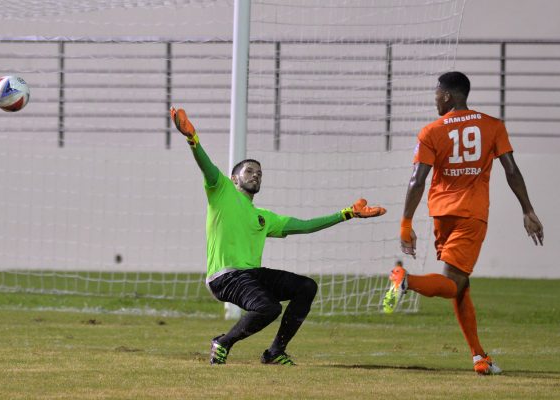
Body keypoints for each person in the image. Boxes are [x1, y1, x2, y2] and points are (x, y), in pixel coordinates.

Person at [170, 106, 387, 366]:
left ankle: (275, 352)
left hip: (250, 274)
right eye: (249, 171)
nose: (256, 174)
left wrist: (346, 214)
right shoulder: (221, 190)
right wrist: (192, 139)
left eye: (259, 173)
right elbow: (206, 167)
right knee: (270, 308)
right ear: (234, 178)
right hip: (225, 277)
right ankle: (223, 343)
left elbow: (305, 226)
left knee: (306, 287)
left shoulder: (264, 217)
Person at [382, 71, 544, 375]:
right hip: (471, 214)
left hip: (441, 215)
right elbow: (511, 170)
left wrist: (406, 222)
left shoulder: (431, 131)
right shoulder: (493, 126)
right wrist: (527, 209)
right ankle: (405, 280)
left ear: (447, 95)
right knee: (453, 283)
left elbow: (417, 180)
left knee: (461, 285)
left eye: (436, 95)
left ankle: (478, 356)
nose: (435, 100)